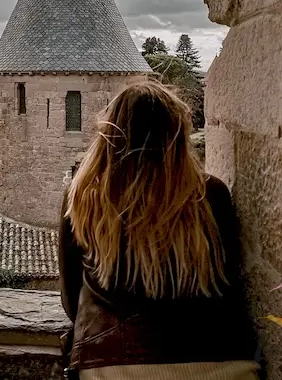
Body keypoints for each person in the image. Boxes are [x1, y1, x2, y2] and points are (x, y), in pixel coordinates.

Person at [59, 79, 259, 380]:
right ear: (177, 135)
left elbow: (72, 296)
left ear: (110, 133)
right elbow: (230, 278)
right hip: (218, 362)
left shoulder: (83, 197)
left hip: (113, 366)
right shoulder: (209, 195)